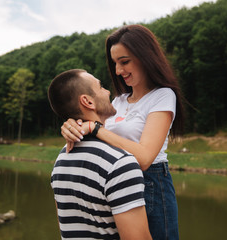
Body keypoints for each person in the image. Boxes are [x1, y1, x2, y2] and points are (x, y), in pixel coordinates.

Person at [61, 24, 184, 240]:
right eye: (115, 63)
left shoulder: (163, 96)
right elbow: (90, 122)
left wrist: (96, 128)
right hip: (115, 180)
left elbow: (145, 158)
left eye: (124, 62)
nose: (118, 71)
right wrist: (71, 126)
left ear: (146, 57)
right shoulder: (117, 101)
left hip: (151, 184)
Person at [48, 69, 152, 240]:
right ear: (88, 101)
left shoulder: (61, 160)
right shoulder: (120, 164)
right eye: (101, 87)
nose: (108, 91)